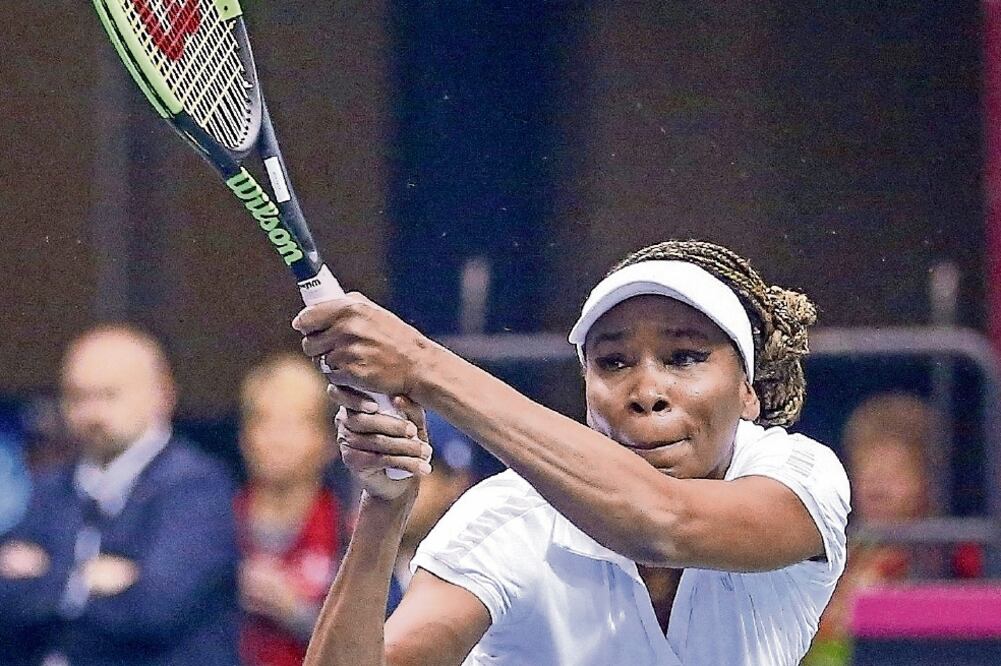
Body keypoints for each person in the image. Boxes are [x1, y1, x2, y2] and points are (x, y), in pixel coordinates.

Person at [296, 240, 851, 665]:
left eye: (684, 358)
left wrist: (422, 364)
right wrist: (384, 508)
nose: (647, 392)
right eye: (613, 363)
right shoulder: (510, 519)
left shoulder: (799, 476)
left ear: (749, 390)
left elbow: (664, 522)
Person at [0, 324, 239, 666]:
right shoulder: (49, 488)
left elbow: (155, 609)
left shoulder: (198, 487)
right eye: (77, 397)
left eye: (109, 395)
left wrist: (48, 574)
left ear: (162, 395)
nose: (92, 414)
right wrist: (85, 579)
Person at [805, 392, 969, 665]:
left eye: (896, 471)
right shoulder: (844, 550)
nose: (878, 485)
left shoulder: (944, 558)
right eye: (867, 470)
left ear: (928, 479)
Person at [236, 353, 345, 666]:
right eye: (262, 421)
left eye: (295, 424)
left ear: (328, 441)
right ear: (244, 436)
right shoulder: (210, 522)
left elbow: (371, 645)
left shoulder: (350, 533)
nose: (276, 440)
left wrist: (294, 611)